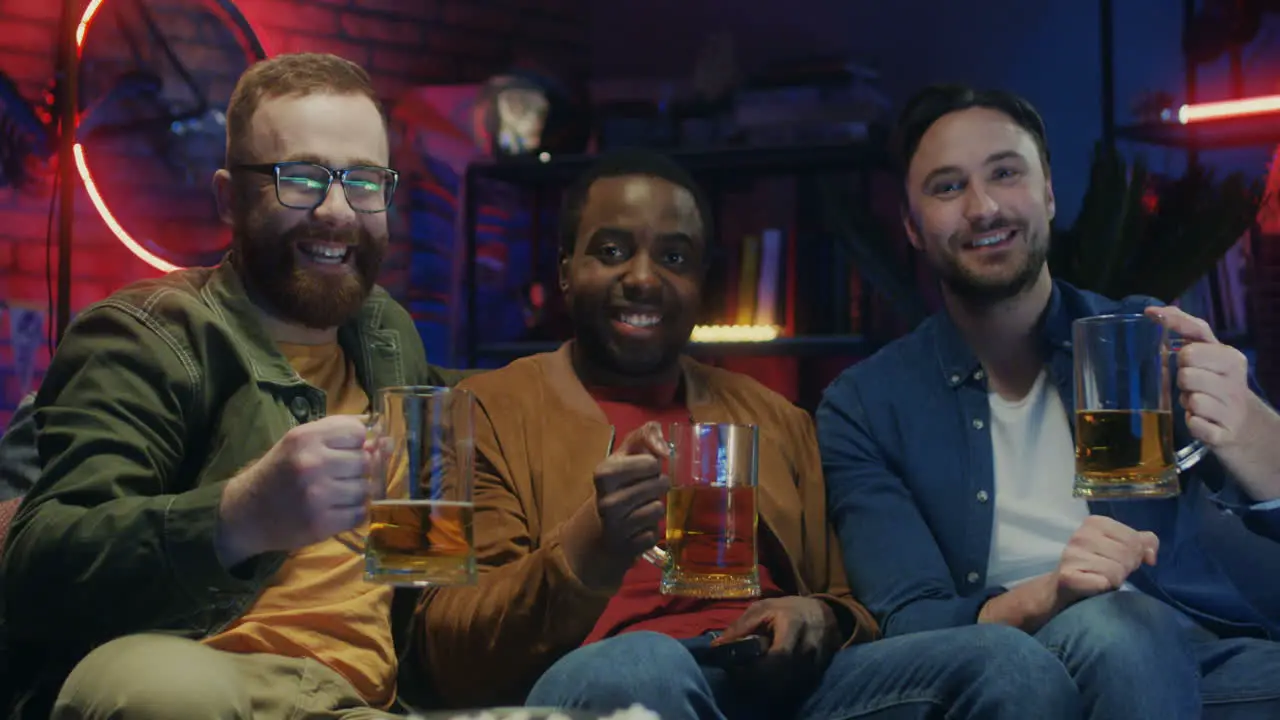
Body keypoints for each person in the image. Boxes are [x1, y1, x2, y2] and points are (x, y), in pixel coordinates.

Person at [419, 148, 1083, 720]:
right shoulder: (488, 413)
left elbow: (854, 601)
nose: (644, 277)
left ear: (701, 283)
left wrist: (815, 619)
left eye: (674, 256)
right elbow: (448, 645)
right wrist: (590, 546)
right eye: (612, 251)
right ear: (566, 271)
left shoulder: (773, 416)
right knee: (642, 668)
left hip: (784, 690)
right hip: (608, 678)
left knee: (1011, 665)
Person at [0, 53, 471, 720]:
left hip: (358, 702)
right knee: (173, 693)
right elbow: (37, 569)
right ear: (228, 197)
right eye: (301, 179)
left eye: (364, 183)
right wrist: (238, 516)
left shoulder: (388, 334)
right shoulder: (150, 333)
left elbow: (428, 556)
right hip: (203, 674)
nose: (338, 211)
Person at [816, 83, 1280, 720]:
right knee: (1118, 626)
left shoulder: (1144, 340)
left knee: (1136, 627)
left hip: (1190, 649)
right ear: (913, 228)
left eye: (1005, 173)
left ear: (1049, 192)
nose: (982, 208)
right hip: (1009, 658)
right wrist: (1053, 594)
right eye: (947, 187)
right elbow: (913, 616)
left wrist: (1252, 429)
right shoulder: (866, 404)